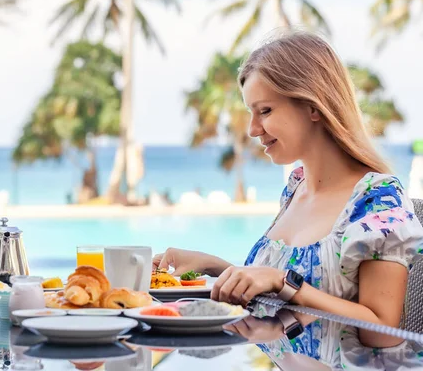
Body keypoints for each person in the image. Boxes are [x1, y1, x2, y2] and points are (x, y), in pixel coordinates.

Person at [152, 31, 423, 347]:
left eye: (265, 111)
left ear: (313, 107)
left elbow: (380, 332)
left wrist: (284, 282)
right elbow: (276, 305)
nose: (253, 129)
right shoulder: (296, 188)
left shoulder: (377, 201)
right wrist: (216, 266)